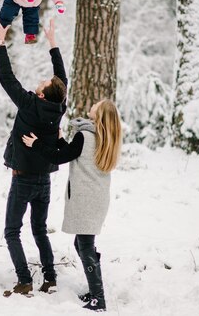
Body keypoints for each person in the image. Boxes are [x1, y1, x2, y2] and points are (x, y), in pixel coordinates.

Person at [0, 18, 67, 297]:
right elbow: (62, 79)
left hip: (22, 181)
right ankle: (50, 277)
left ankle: (24, 280)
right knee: (40, 231)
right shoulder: (58, 107)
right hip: (44, 181)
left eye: (45, 82)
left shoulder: (29, 103)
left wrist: (0, 43)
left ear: (42, 94)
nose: (43, 79)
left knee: (12, 231)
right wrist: (52, 43)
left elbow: (6, 79)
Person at [22, 100, 123, 311]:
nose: (93, 104)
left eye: (97, 104)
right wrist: (61, 140)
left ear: (100, 114)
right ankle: (96, 291)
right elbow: (74, 153)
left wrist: (37, 144)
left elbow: (60, 157)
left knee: (84, 245)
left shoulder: (85, 135)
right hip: (96, 199)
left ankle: (98, 299)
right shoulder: (102, 137)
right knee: (82, 244)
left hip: (86, 199)